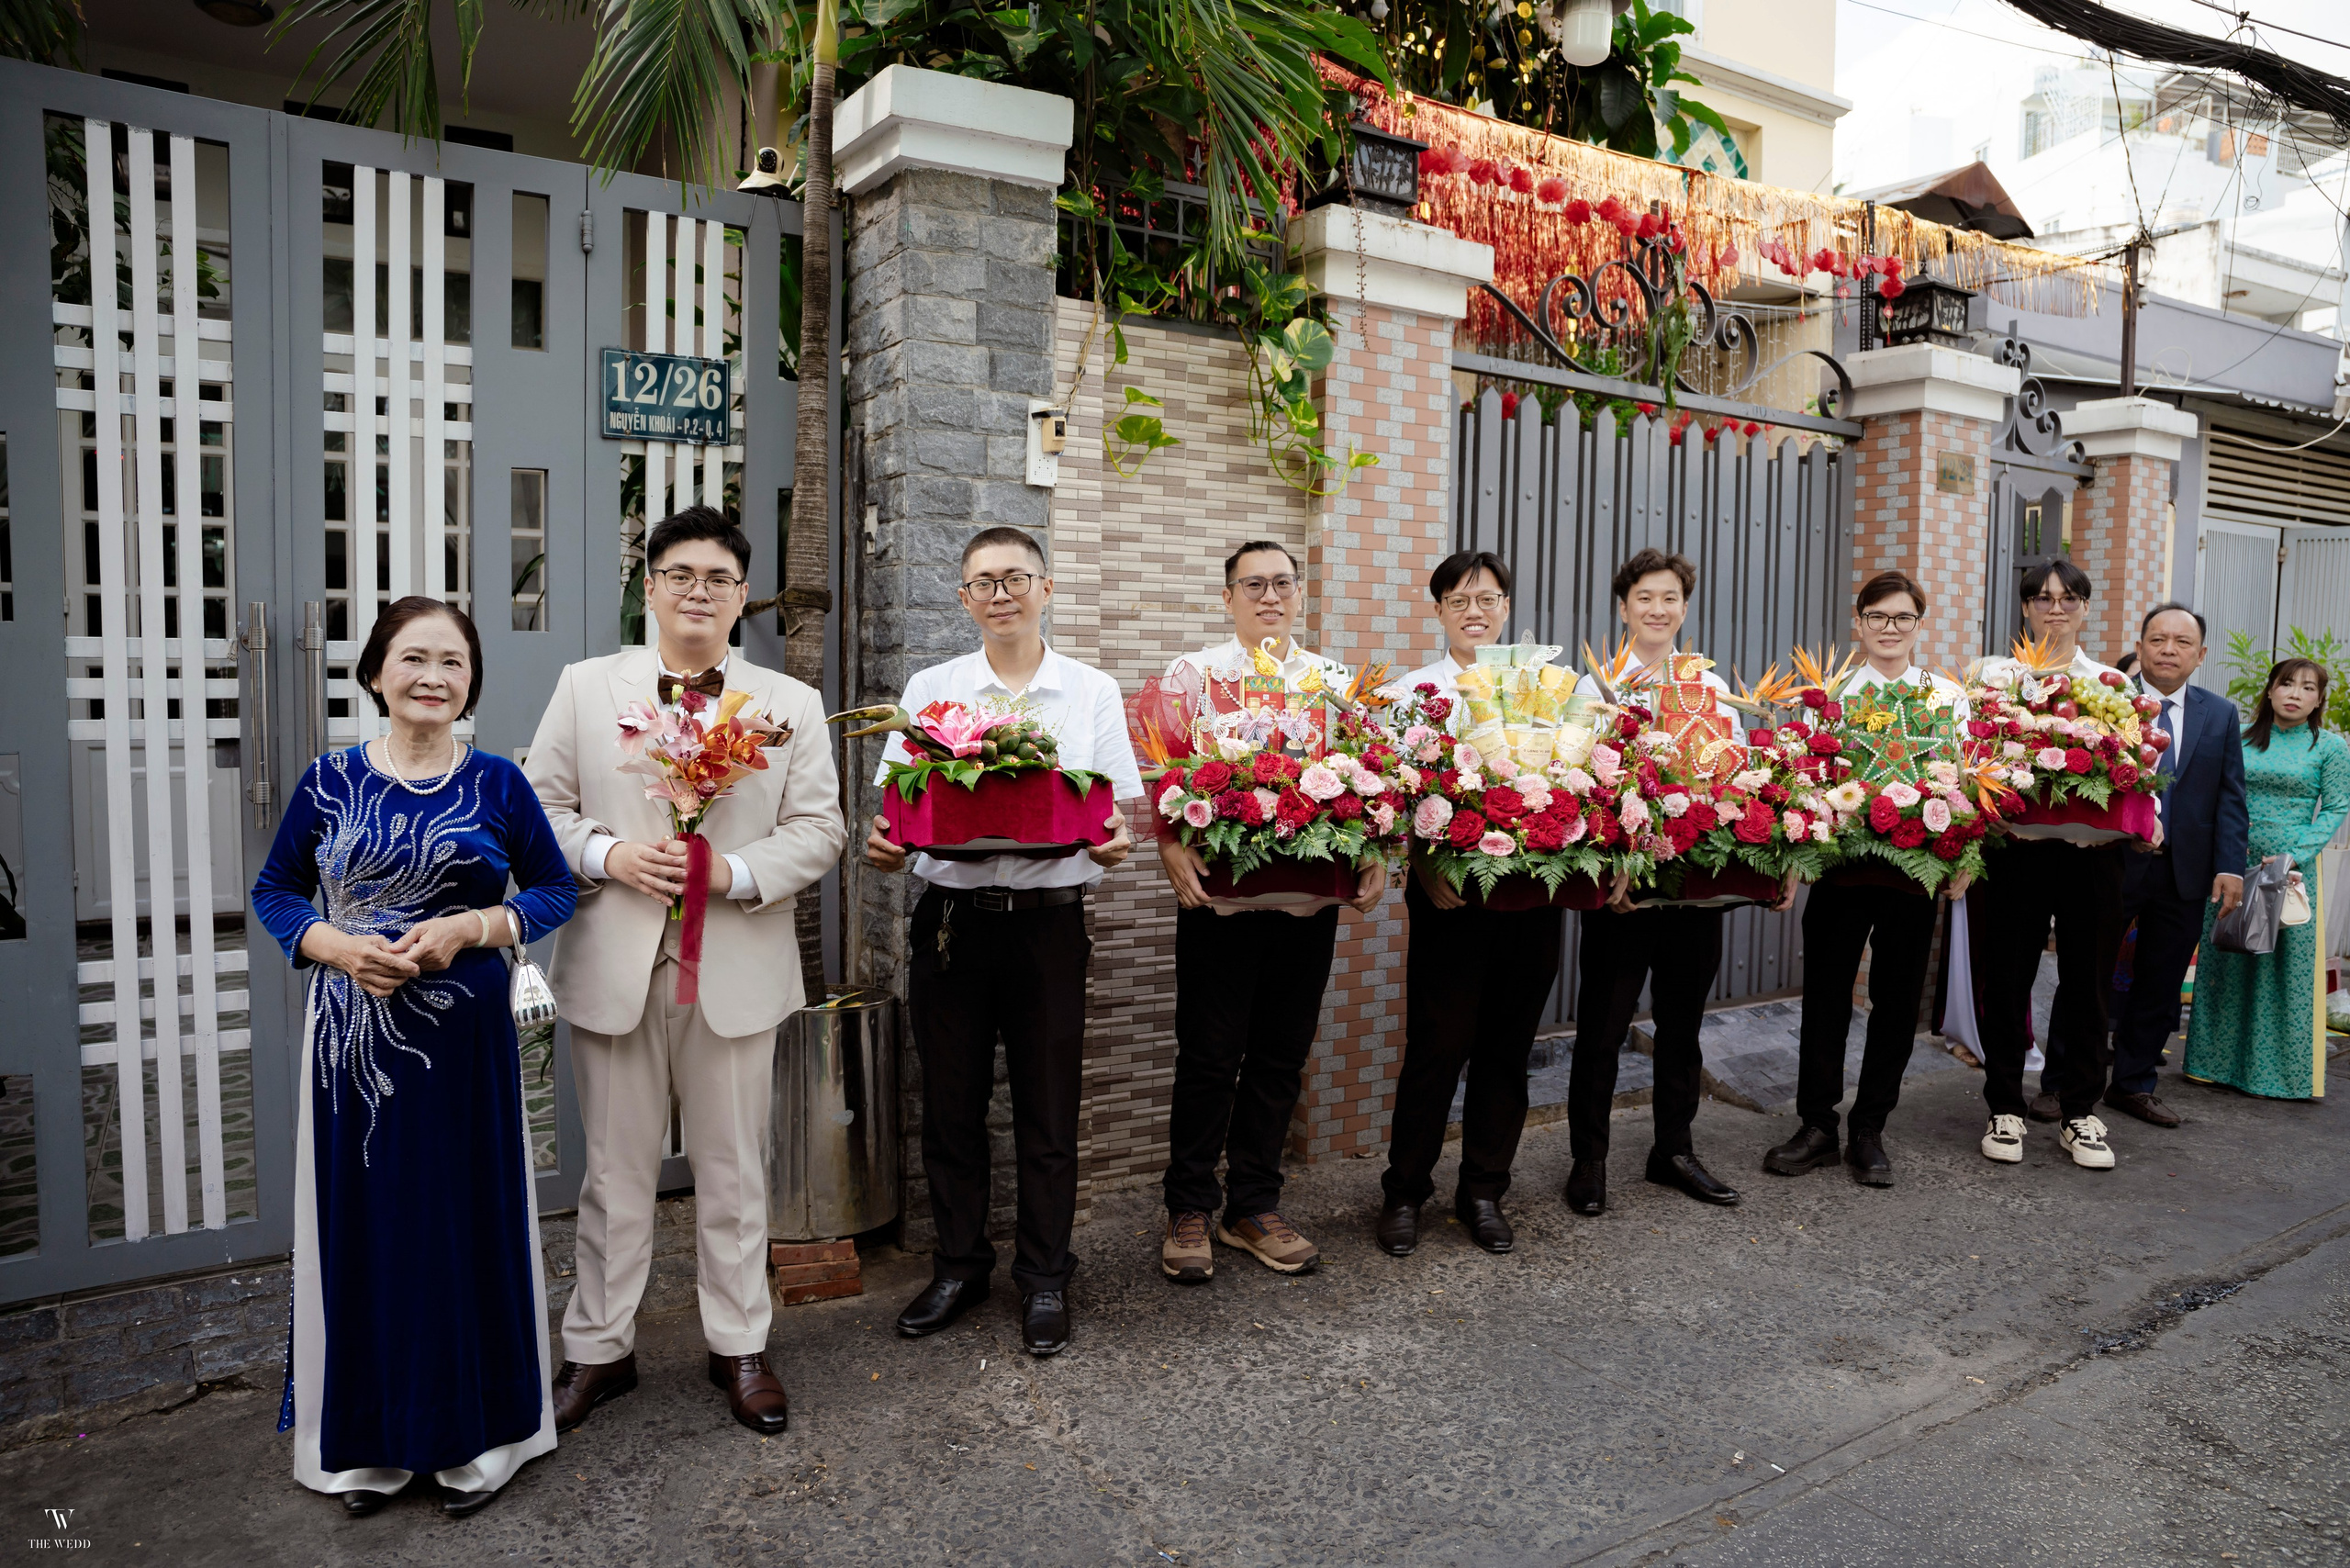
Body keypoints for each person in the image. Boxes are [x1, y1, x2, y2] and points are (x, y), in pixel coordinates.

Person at [251, 599, 577, 1518]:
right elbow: (275, 891)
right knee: (365, 1229)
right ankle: (367, 1451)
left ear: (471, 679)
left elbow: (554, 891)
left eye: (453, 661)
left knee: (463, 1227)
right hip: (351, 1043)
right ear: (376, 671)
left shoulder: (500, 785)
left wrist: (476, 926)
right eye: (413, 657)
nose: (433, 675)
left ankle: (481, 1440)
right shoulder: (327, 782)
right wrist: (333, 946)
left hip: (464, 1041)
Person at [523, 507, 844, 1436]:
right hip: (615, 960)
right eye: (679, 574)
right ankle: (598, 1349)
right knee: (613, 1173)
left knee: (735, 1169)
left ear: (742, 597)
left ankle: (739, 1343)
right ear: (651, 587)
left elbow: (818, 828)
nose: (697, 590)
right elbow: (539, 805)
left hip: (734, 962)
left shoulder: (785, 704)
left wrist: (733, 872)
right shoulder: (587, 688)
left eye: (717, 578)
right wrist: (609, 854)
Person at [866, 526, 1142, 1356]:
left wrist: (1115, 841)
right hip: (951, 924)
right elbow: (899, 809)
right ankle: (959, 1265)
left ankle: (1046, 1276)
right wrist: (888, 843)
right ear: (963, 599)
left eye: (1016, 578)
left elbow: (1115, 810)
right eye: (983, 581)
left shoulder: (1089, 689)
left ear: (1046, 590)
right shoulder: (932, 687)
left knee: (1048, 1109)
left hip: (1049, 926)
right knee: (950, 1107)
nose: (1000, 594)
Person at [1157, 540, 1389, 1282]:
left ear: (1300, 595)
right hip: (1220, 902)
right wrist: (1169, 849)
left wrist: (1375, 852)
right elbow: (1159, 770)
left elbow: (1371, 782)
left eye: (1282, 584)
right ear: (1227, 599)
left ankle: (1253, 1206)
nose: (1269, 597)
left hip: (1306, 902)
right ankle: (1189, 1206)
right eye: (1252, 585)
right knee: (1208, 1056)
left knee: (1281, 1057)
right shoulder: (1194, 676)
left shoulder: (1333, 682)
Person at [1375, 551, 1561, 1257]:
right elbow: (1389, 799)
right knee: (1436, 1046)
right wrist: (1420, 866)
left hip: (1532, 899)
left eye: (1487, 598)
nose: (1474, 611)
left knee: (1507, 1051)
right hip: (1450, 898)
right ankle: (1404, 1192)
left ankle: (1484, 1189)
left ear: (1507, 607)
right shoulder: (1411, 694)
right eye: (1458, 600)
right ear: (1439, 611)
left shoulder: (1548, 688)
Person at [1565, 547, 1759, 1215]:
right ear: (1624, 608)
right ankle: (1587, 1161)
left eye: (1670, 597)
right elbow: (1580, 787)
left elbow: (1737, 778)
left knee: (1684, 1025)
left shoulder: (1710, 688)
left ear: (1684, 607)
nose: (1657, 609)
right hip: (1623, 892)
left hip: (1694, 887)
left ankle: (1672, 1150)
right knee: (1602, 1028)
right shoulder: (1594, 688)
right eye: (1644, 597)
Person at [1765, 571, 1968, 1189]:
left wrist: (1959, 860)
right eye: (1877, 617)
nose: (1888, 628)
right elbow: (1797, 781)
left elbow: (1966, 780)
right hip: (1839, 868)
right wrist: (1793, 864)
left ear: (1919, 624)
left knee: (1897, 1003)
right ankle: (1817, 1125)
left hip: (1913, 869)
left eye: (1902, 618)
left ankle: (1870, 1129)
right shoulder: (1829, 692)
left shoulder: (1944, 695)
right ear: (1858, 622)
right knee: (1826, 997)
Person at [1968, 559, 2132, 1170]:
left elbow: (2134, 769)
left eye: (2068, 598)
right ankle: (2004, 1106)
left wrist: (2147, 819)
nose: (2054, 607)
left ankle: (2080, 1112)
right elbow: (1971, 754)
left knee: (2089, 983)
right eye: (2041, 598)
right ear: (2025, 608)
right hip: (2017, 850)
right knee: (2007, 978)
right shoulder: (1994, 677)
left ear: (2086, 608)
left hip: (2093, 855)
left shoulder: (2111, 682)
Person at [2104, 605, 2247, 1126]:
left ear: (2201, 655)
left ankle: (2133, 1084)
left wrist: (2230, 865)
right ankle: (2063, 1084)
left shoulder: (2221, 713)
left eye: (2182, 642)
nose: (2169, 649)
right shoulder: (2106, 701)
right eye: (2158, 639)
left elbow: (2231, 796)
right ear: (2139, 647)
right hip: (2113, 861)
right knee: (2089, 971)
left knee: (2160, 981)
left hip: (2185, 869)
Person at [2184, 657, 2349, 1100]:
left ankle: (2277, 1076)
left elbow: (2335, 807)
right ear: (2270, 691)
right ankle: (2212, 1065)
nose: (2296, 694)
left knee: (2282, 969)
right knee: (2228, 956)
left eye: (2308, 688)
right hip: (2231, 863)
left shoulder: (2330, 748)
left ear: (2319, 699)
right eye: (2287, 684)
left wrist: (2297, 853)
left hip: (2290, 871)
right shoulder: (2237, 738)